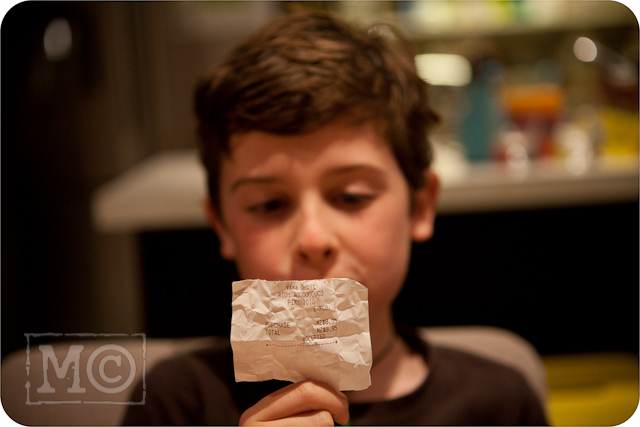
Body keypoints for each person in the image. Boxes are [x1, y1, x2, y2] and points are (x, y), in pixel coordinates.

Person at [122, 9, 547, 426]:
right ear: (222, 225)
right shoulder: (175, 404)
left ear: (419, 207)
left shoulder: (499, 405)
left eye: (350, 197)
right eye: (269, 205)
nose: (313, 238)